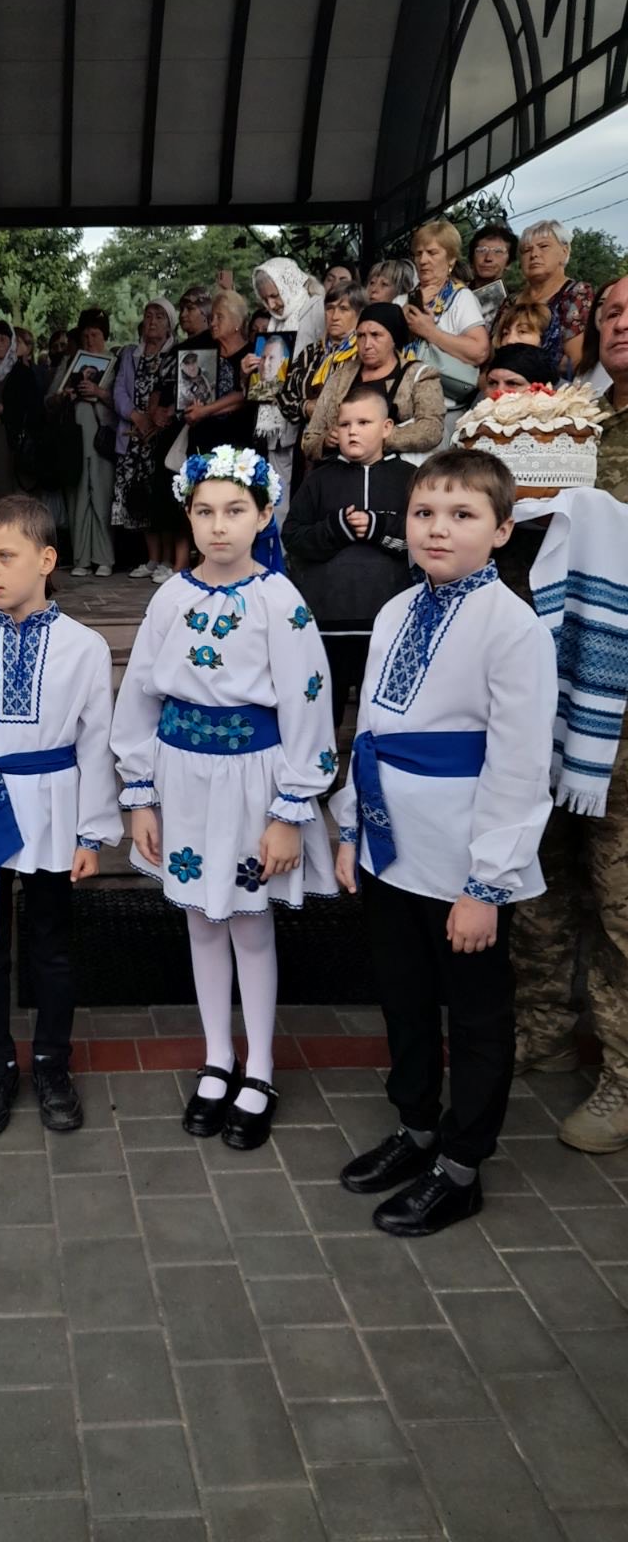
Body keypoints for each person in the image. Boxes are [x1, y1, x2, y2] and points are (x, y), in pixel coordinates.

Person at [332, 450, 557, 1234]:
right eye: (426, 512)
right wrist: (352, 827)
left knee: (477, 1014)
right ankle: (417, 1126)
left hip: (464, 861)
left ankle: (461, 1166)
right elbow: (370, 730)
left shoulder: (513, 628)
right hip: (392, 847)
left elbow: (519, 766)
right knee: (403, 997)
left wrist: (487, 884)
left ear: (502, 530)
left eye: (463, 515)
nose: (438, 529)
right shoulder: (398, 609)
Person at [112, 445, 337, 1150]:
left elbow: (308, 705)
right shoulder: (169, 598)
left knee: (249, 922)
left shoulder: (281, 601)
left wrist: (290, 811)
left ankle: (259, 1066)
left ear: (264, 515)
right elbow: (140, 696)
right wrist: (140, 795)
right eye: (205, 511)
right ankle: (217, 1057)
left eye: (235, 510)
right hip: (182, 779)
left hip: (252, 781)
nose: (218, 526)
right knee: (201, 921)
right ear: (188, 514)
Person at [0, 495, 121, 1137]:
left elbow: (96, 742)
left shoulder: (85, 647)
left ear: (47, 559)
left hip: (54, 811)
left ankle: (52, 1060)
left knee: (52, 948)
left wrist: (92, 831)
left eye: (6, 556)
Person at [511, 275, 628, 1149]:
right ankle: (544, 1030)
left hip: (621, 706)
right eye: (611, 311)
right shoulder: (576, 421)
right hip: (548, 685)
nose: (619, 323)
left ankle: (623, 1076)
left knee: (620, 891)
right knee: (543, 871)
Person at [282, 381, 414, 728]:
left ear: (387, 428)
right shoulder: (319, 479)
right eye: (344, 424)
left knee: (382, 713)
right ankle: (322, 762)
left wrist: (376, 527)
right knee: (324, 712)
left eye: (364, 423)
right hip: (327, 621)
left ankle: (371, 763)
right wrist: (335, 528)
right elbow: (293, 537)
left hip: (388, 621)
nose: (352, 431)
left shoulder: (410, 479)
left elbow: (422, 537)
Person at [303, 303, 445, 465]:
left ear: (394, 338)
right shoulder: (340, 376)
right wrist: (325, 441)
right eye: (361, 336)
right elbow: (310, 440)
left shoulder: (419, 376)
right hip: (343, 472)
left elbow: (431, 430)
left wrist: (373, 439)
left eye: (376, 335)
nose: (367, 344)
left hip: (397, 473)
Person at [398, 219, 490, 448]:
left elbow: (479, 351)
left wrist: (430, 332)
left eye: (432, 252)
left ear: (451, 259)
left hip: (443, 412)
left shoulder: (461, 298)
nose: (423, 260)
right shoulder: (403, 299)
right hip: (399, 408)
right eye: (418, 253)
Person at [112, 297, 184, 582]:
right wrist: (137, 417)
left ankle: (167, 559)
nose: (152, 321)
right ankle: (152, 558)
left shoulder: (175, 353)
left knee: (162, 498)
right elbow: (119, 391)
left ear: (169, 325)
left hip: (162, 436)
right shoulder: (130, 354)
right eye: (149, 316)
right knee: (139, 498)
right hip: (134, 435)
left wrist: (155, 420)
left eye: (159, 316)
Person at [245, 258, 325, 509]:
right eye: (265, 299)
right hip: (277, 421)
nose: (272, 305)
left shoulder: (316, 307)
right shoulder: (274, 321)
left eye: (275, 295)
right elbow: (271, 377)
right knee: (277, 492)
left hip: (306, 417)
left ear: (288, 284)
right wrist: (251, 372)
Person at [49, 307, 117, 578]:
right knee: (77, 496)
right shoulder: (70, 362)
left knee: (101, 494)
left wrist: (99, 392)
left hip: (102, 438)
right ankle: (81, 558)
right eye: (86, 335)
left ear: (104, 336)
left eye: (95, 335)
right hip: (75, 438)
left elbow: (122, 402)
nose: (90, 340)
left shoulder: (115, 362)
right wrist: (63, 396)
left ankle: (104, 557)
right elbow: (49, 399)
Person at [491, 220, 594, 373]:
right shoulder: (511, 301)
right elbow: (492, 354)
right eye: (526, 250)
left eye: (544, 246)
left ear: (564, 252)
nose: (534, 254)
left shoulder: (577, 293)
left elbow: (574, 360)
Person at [278, 281, 366, 442]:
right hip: (306, 442)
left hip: (348, 441)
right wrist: (305, 407)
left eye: (343, 309)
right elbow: (284, 395)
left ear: (359, 314)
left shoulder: (363, 354)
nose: (334, 316)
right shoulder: (310, 353)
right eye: (330, 308)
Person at [0, 318, 43, 508]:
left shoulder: (22, 374)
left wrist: (3, 409)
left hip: (9, 445)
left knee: (6, 496)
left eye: (3, 339)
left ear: (11, 344)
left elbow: (34, 409)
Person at [184, 289, 256, 457]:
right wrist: (192, 411)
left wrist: (205, 411)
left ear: (237, 322)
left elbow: (246, 395)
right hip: (200, 445)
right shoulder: (204, 354)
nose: (213, 323)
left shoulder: (252, 354)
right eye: (211, 318)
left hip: (235, 447)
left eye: (219, 317)